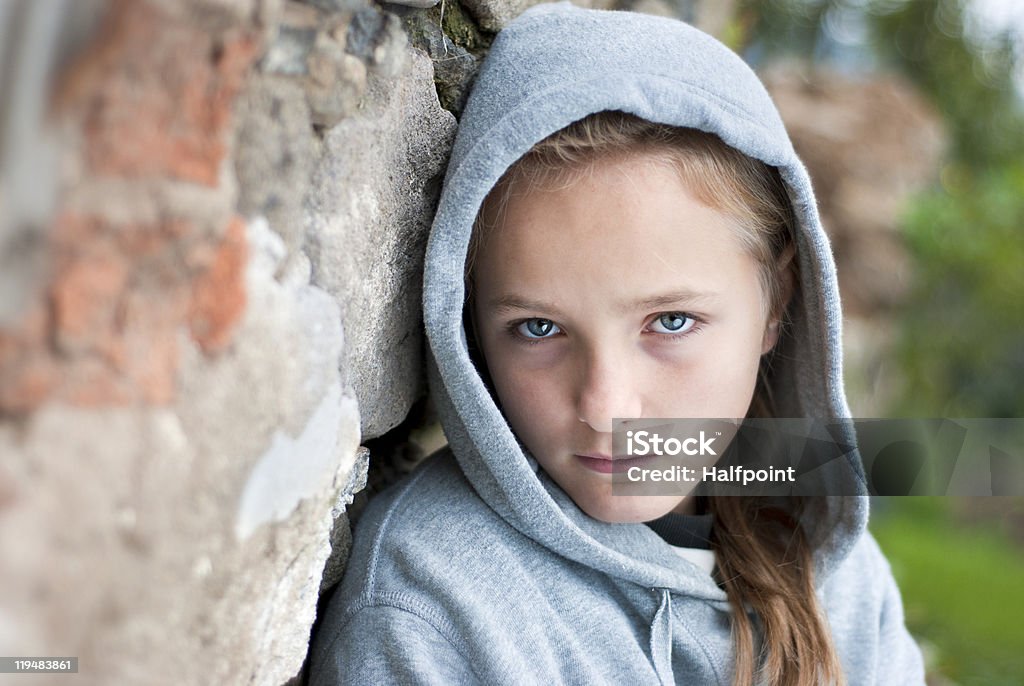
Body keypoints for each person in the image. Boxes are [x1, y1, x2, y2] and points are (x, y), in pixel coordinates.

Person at [309, 3, 925, 684]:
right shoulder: (431, 602)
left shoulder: (834, 568)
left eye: (670, 322)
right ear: (469, 327)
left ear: (778, 303)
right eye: (538, 328)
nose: (606, 407)